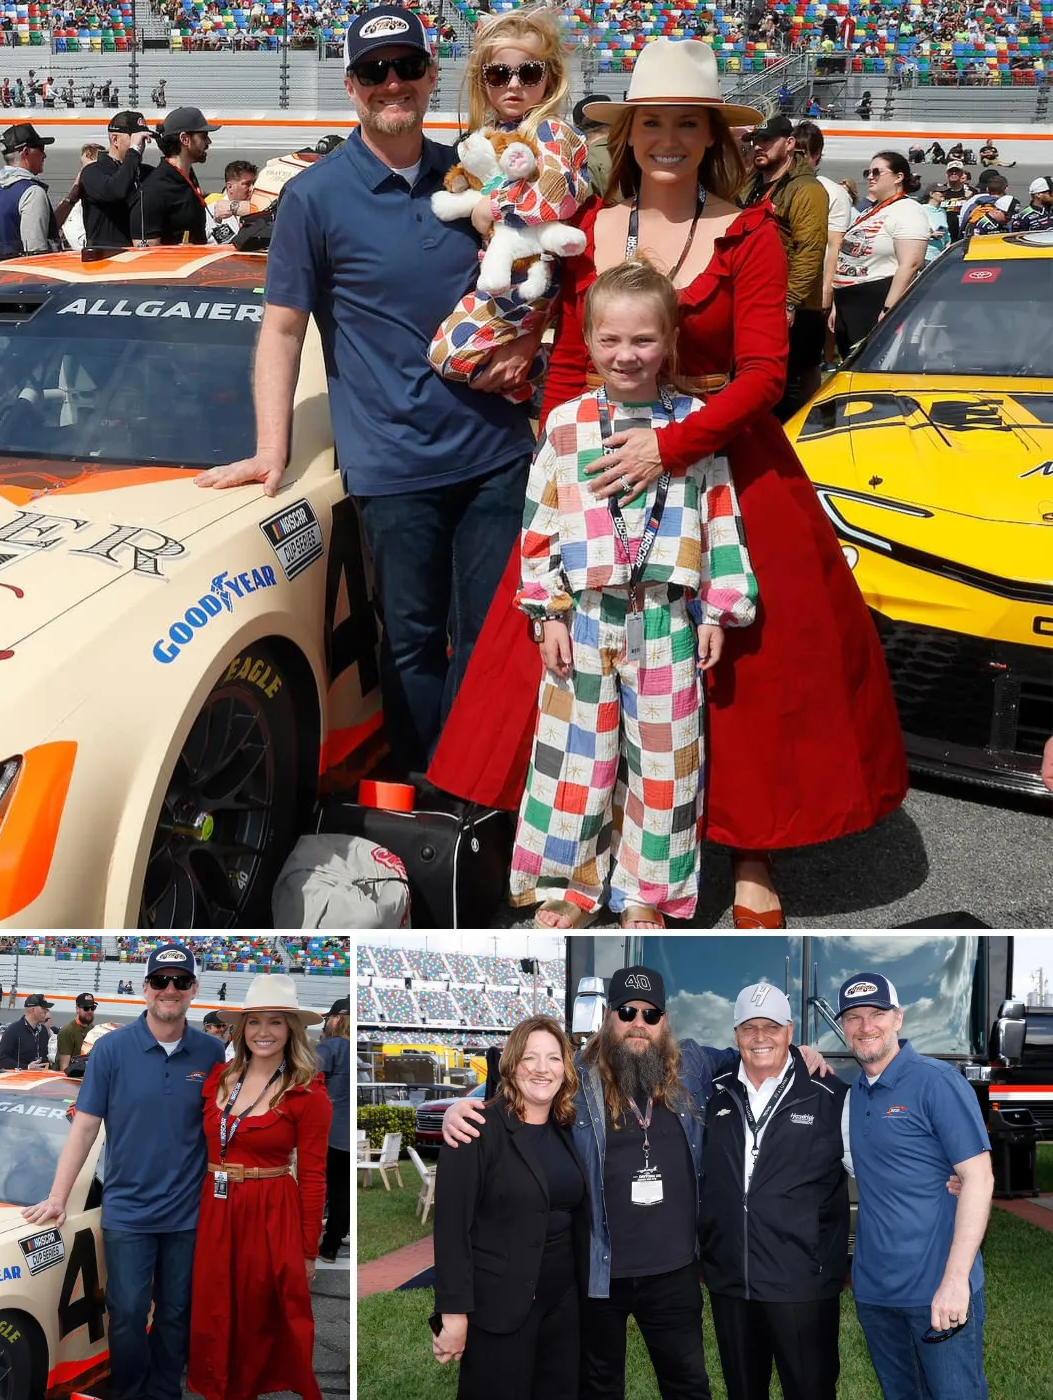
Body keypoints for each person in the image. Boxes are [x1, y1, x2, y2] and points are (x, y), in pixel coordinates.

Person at [428, 38, 907, 928]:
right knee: (582, 668)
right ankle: (582, 854)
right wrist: (566, 458)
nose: (670, 138)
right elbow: (571, 360)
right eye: (653, 122)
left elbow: (768, 372)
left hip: (724, 451)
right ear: (630, 134)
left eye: (688, 122)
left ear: (712, 133)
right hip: (604, 459)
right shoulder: (593, 229)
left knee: (740, 675)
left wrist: (671, 450)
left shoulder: (751, 231)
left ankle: (749, 848)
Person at [196, 5, 536, 775]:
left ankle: (486, 793)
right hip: (394, 465)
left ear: (428, 78)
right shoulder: (314, 198)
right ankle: (429, 800)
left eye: (407, 68)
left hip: (495, 453)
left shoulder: (475, 174)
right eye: (375, 71)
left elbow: (536, 284)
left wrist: (529, 344)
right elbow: (282, 331)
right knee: (411, 642)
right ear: (351, 87)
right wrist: (269, 451)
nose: (393, 83)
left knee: (492, 639)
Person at [511, 259, 756, 930]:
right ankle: (568, 886)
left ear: (670, 340)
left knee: (666, 762)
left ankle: (649, 893)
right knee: (573, 756)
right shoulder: (564, 424)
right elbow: (539, 522)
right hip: (585, 616)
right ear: (588, 341)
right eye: (611, 340)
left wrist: (717, 606)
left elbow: (721, 513)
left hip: (667, 617)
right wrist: (546, 612)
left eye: (643, 340)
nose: (627, 355)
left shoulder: (695, 423)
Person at [443, 966, 742, 1399]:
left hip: (674, 1272)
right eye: (627, 1012)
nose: (638, 1023)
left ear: (664, 1022)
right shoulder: (576, 1076)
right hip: (599, 1273)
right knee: (599, 1387)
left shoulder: (692, 1063)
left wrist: (802, 1053)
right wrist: (465, 1108)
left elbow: (748, 1054)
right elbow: (524, 1091)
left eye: (650, 1014)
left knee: (688, 1385)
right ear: (608, 1017)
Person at [22, 944, 224, 1400]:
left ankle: (164, 1392)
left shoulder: (213, 1052)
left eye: (179, 981)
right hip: (128, 1211)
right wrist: (57, 1196)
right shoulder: (112, 1049)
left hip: (190, 1213)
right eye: (160, 981)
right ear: (144, 989)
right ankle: (131, 1391)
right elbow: (85, 1129)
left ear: (193, 989)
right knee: (129, 1311)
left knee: (176, 1311)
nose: (169, 990)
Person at [839, 972, 994, 1400]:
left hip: (936, 1288)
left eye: (876, 1014)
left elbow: (979, 1177)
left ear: (898, 1019)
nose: (865, 1026)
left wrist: (955, 1280)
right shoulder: (855, 1093)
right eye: (853, 1017)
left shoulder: (936, 1082)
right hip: (875, 1292)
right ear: (844, 1028)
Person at [426, 7, 586, 405]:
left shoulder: (551, 130)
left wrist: (487, 208)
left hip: (533, 272)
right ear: (483, 82)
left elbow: (552, 198)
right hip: (505, 272)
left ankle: (552, 369)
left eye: (528, 73)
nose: (513, 85)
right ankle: (528, 387)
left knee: (448, 357)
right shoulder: (490, 133)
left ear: (549, 79)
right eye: (498, 75)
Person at [699, 984, 848, 1400]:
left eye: (771, 1027)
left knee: (810, 1390)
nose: (760, 1037)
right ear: (735, 1035)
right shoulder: (713, 1092)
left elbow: (873, 1166)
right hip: (733, 1283)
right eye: (749, 1027)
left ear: (790, 1031)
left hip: (801, 1285)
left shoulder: (830, 1095)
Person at [188, 976, 332, 1400]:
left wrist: (308, 1249)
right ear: (241, 1028)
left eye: (275, 1022)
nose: (263, 1032)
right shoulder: (219, 1078)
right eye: (254, 1022)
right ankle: (217, 1388)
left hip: (269, 1210)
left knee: (255, 1315)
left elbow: (313, 1177)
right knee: (213, 1309)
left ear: (291, 1030)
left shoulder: (307, 1092)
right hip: (214, 1206)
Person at [434, 1015, 588, 1399]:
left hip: (563, 1305)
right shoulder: (475, 1128)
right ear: (511, 1063)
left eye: (553, 1058)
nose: (542, 1069)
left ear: (566, 1069)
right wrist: (453, 1315)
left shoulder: (568, 1127)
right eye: (531, 1057)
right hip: (500, 1306)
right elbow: (452, 1230)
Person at [744, 114, 829, 418]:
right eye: (755, 141)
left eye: (767, 140)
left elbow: (811, 249)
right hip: (755, 298)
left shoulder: (807, 189)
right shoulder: (752, 184)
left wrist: (789, 301)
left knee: (786, 386)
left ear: (790, 144)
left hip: (791, 306)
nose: (758, 147)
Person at [832, 151, 928, 357]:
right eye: (869, 171)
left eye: (877, 172)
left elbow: (911, 262)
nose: (870, 176)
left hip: (876, 298)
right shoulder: (869, 210)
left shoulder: (908, 209)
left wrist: (888, 310)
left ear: (898, 177)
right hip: (847, 300)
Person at [792, 120, 852, 332]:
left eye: (803, 153)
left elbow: (835, 244)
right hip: (779, 283)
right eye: (794, 152)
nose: (797, 159)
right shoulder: (777, 185)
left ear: (817, 154)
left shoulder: (834, 192)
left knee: (806, 358)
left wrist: (827, 288)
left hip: (812, 288)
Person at [131, 106, 218, 247]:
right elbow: (145, 254)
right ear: (184, 139)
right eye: (203, 136)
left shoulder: (187, 179)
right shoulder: (153, 191)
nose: (208, 142)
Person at [80, 110, 152, 250]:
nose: (141, 145)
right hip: (106, 260)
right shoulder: (93, 171)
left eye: (143, 139)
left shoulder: (145, 172)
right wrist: (133, 152)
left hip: (141, 259)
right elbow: (115, 190)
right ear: (115, 139)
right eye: (136, 139)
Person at [316, 996, 350, 1263]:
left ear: (336, 1019)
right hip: (347, 1134)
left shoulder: (332, 1047)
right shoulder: (349, 1048)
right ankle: (332, 1243)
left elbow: (305, 1079)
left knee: (320, 1188)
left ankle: (322, 1243)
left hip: (329, 1132)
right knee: (343, 1192)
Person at [0, 121, 58, 255]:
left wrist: (71, 199)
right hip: (27, 272)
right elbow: (36, 252)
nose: (44, 156)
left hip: (4, 269)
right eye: (41, 149)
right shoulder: (32, 192)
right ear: (26, 152)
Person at [203, 158, 257, 244]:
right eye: (246, 184)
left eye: (254, 183)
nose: (252, 188)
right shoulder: (210, 212)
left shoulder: (258, 209)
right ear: (230, 187)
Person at [0, 993, 55, 1069]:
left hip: (42, 1077)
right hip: (20, 1079)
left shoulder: (43, 1030)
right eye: (43, 1008)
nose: (46, 1011)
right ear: (33, 1010)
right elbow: (1, 1060)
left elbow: (44, 1057)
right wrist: (27, 1067)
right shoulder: (13, 1030)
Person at [56, 992, 98, 1071]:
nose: (90, 1011)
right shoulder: (67, 1031)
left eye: (92, 1008)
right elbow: (64, 1068)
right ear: (77, 1009)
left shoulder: (92, 1028)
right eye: (86, 1008)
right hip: (72, 1078)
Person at [920, 184, 953, 262]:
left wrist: (948, 243)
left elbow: (946, 232)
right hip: (926, 255)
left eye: (945, 192)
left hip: (941, 255)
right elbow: (914, 231)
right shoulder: (921, 210)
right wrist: (931, 235)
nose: (943, 194)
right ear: (931, 194)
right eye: (940, 192)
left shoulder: (942, 211)